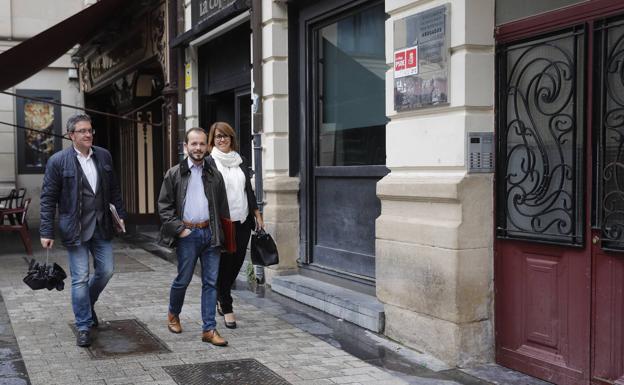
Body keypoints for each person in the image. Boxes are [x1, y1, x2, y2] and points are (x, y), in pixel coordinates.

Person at [40, 113, 126, 348]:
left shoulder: (104, 156)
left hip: (102, 226)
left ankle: (86, 305)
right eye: (83, 131)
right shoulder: (58, 161)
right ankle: (83, 325)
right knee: (80, 278)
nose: (88, 134)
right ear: (71, 135)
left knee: (106, 270)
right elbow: (48, 198)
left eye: (90, 130)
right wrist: (46, 231)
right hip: (75, 229)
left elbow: (114, 190)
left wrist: (120, 216)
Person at [158, 127, 231, 346]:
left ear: (208, 147)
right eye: (194, 144)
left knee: (210, 282)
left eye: (201, 144)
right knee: (184, 279)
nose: (198, 148)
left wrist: (223, 236)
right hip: (187, 234)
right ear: (186, 146)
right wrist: (180, 229)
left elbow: (222, 208)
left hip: (210, 234)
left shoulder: (214, 174)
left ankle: (209, 329)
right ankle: (173, 313)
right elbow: (164, 207)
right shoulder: (174, 174)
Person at [207, 122, 264, 329]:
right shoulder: (209, 163)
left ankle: (220, 294)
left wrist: (257, 213)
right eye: (218, 136)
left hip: (242, 220)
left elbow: (248, 190)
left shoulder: (241, 160)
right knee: (224, 264)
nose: (222, 140)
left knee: (237, 262)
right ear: (212, 139)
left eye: (226, 136)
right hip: (222, 223)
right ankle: (227, 304)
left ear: (232, 138)